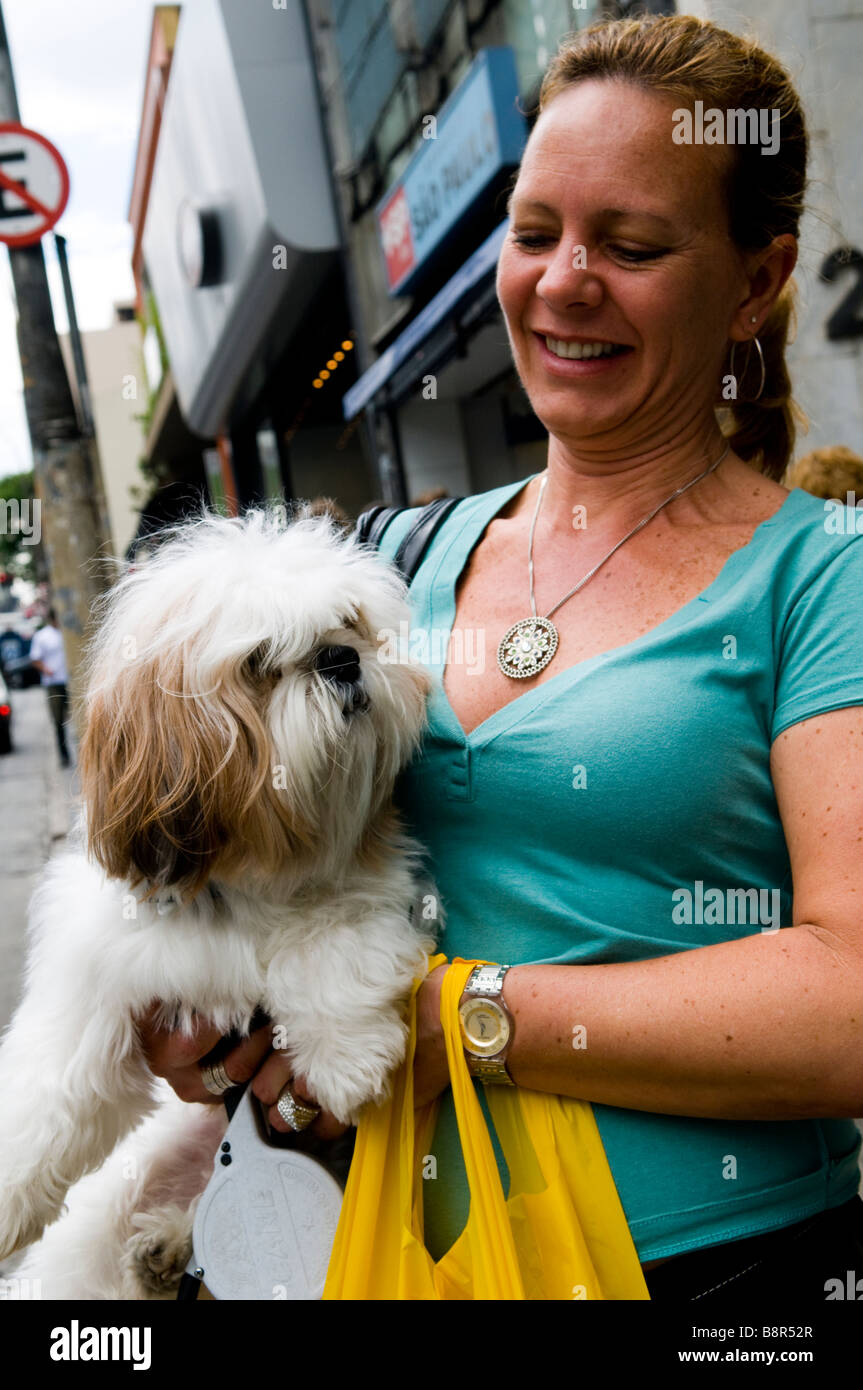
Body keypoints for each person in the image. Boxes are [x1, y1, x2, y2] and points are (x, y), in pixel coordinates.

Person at [138, 14, 863, 1301]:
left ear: (754, 283)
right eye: (533, 235)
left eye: (631, 246)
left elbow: (848, 998)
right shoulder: (383, 567)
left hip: (710, 1277)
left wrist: (458, 1022)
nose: (564, 280)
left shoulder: (824, 576)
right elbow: (232, 861)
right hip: (385, 1255)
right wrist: (199, 1011)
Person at [28, 609, 71, 769]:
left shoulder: (67, 631)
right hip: (54, 682)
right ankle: (64, 755)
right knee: (58, 720)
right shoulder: (43, 636)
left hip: (71, 680)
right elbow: (35, 658)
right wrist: (46, 669)